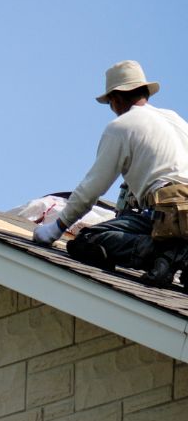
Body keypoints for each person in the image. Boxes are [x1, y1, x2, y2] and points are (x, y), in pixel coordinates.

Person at [33, 60, 188, 286]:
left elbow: (92, 188)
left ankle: (166, 254)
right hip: (176, 218)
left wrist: (56, 228)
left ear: (116, 99)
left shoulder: (123, 126)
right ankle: (178, 255)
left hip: (171, 215)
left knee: (87, 240)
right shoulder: (175, 119)